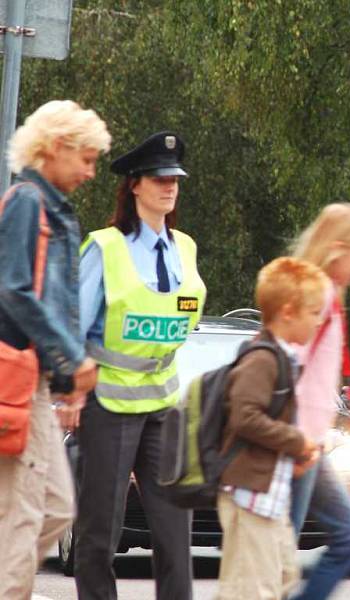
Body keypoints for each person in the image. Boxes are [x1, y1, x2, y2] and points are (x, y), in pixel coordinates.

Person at [74, 131, 206, 600]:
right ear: (134, 185)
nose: (169, 186)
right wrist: (69, 392)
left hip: (164, 405)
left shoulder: (185, 248)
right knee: (100, 535)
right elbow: (75, 326)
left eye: (175, 178)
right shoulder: (106, 248)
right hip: (109, 405)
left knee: (175, 536)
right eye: (158, 177)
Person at [0, 100, 111, 599]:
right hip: (18, 380)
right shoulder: (27, 201)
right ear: (54, 148)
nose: (90, 172)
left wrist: (66, 374)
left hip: (38, 382)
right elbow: (13, 288)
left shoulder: (51, 208)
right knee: (23, 514)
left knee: (56, 508)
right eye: (85, 158)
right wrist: (71, 354)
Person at [217, 257, 324, 600]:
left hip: (268, 498)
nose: (318, 321)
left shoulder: (282, 358)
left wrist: (294, 454)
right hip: (248, 497)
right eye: (313, 313)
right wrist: (296, 441)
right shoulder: (261, 358)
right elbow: (244, 416)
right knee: (253, 590)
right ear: (289, 312)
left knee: (282, 575)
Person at [288, 203, 350, 599]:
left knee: (349, 534)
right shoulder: (317, 295)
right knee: (280, 551)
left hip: (311, 444)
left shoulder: (324, 294)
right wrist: (291, 441)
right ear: (338, 248)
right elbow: (289, 365)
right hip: (296, 445)